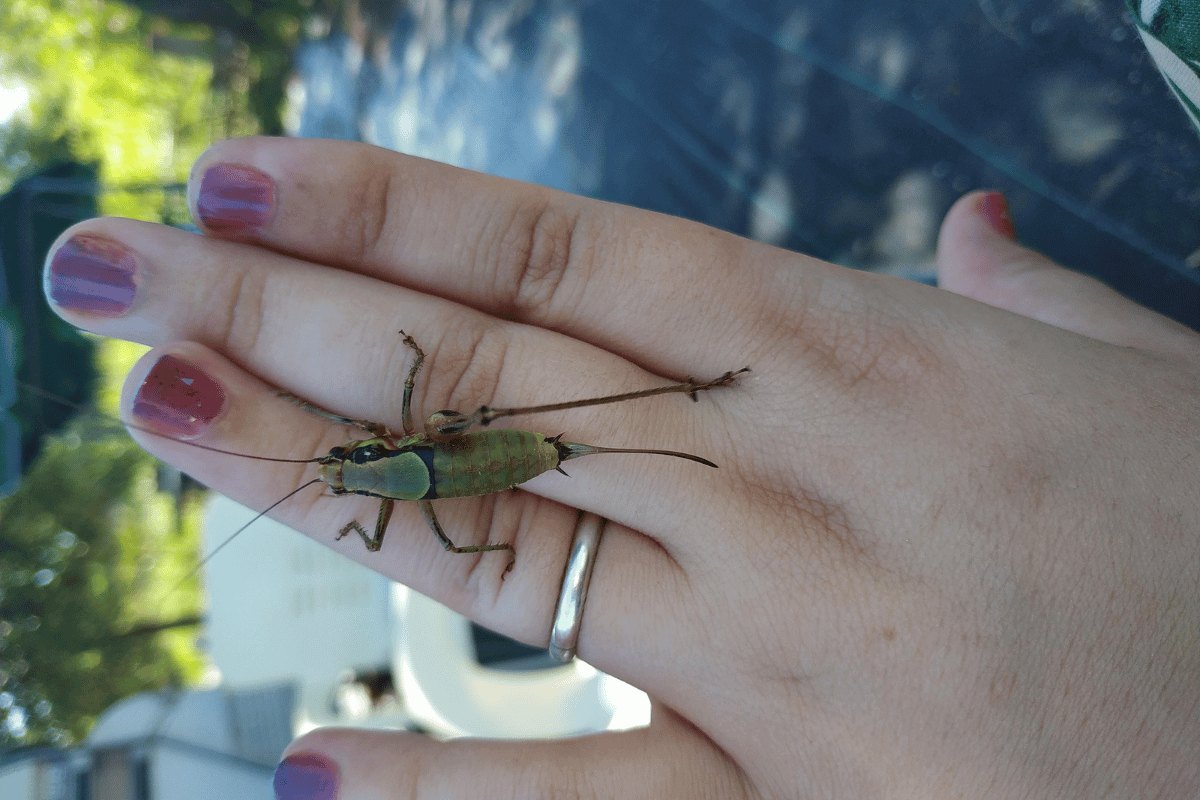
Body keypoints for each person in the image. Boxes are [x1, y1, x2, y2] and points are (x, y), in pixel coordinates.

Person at [41, 135, 1198, 798]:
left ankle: (694, 401)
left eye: (342, 464)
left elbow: (409, 460)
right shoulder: (391, 470)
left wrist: (435, 453)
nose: (341, 464)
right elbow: (412, 467)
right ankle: (684, 407)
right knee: (553, 427)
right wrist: (424, 427)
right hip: (481, 461)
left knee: (561, 417)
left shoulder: (386, 475)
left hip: (480, 454)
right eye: (344, 468)